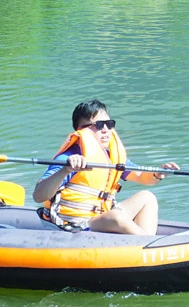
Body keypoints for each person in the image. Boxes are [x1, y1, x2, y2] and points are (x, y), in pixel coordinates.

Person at [33, 99, 179, 234]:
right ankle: (148, 243)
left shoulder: (111, 157)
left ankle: (146, 245)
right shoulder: (69, 158)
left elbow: (141, 176)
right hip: (74, 223)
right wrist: (66, 169)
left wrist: (158, 174)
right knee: (116, 217)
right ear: (81, 129)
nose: (105, 130)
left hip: (101, 217)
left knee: (147, 197)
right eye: (98, 125)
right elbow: (39, 196)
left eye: (109, 124)